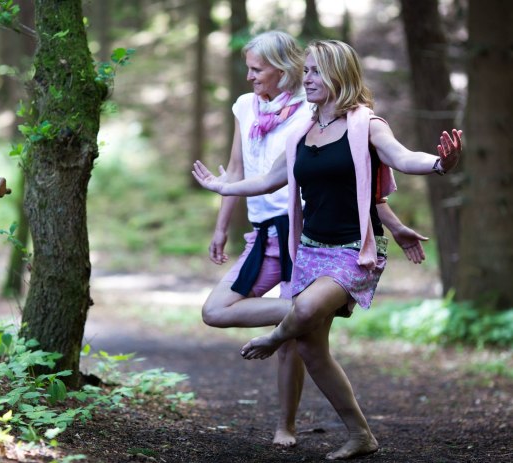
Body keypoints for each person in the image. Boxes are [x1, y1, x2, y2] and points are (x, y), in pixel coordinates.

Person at [193, 39, 462, 460]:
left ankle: (272, 339)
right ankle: (361, 435)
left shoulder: (366, 124)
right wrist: (221, 186)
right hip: (310, 249)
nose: (308, 78)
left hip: (353, 251)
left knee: (301, 314)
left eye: (316, 71)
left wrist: (440, 164)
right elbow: (269, 180)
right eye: (307, 71)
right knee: (312, 352)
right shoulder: (302, 128)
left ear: (339, 75)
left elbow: (403, 157)